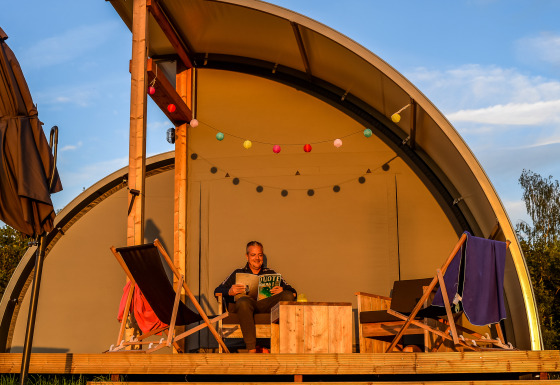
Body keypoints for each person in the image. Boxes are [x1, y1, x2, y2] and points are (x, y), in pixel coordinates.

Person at [214, 241, 296, 352]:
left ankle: (289, 346)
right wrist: (230, 291)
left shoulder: (271, 273)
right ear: (247, 256)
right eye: (253, 255)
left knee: (288, 295)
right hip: (247, 305)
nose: (257, 258)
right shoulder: (238, 273)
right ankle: (251, 349)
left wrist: (283, 290)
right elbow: (217, 290)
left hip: (267, 305)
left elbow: (293, 292)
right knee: (243, 302)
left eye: (260, 255)